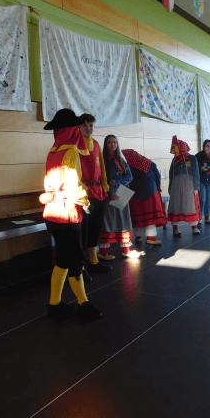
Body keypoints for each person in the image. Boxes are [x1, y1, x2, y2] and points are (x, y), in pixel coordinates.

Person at [40, 108, 102, 322]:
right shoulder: (71, 152)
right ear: (72, 130)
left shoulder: (53, 152)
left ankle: (54, 304)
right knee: (76, 261)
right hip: (67, 214)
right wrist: (85, 201)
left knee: (63, 259)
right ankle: (83, 304)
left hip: (52, 213)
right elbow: (73, 187)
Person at [78, 113, 112, 274]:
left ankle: (94, 260)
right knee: (83, 230)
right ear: (79, 127)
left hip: (99, 192)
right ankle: (80, 265)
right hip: (84, 194)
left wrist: (104, 185)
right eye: (85, 125)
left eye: (91, 125)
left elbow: (102, 167)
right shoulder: (75, 144)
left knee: (96, 227)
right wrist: (80, 186)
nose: (88, 128)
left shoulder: (97, 144)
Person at [98, 135, 139, 260]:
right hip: (108, 193)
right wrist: (109, 192)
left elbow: (129, 177)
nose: (113, 144)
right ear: (106, 144)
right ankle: (103, 252)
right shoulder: (102, 160)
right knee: (108, 221)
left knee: (124, 220)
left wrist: (118, 181)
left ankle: (126, 250)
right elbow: (99, 179)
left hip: (121, 191)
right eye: (110, 142)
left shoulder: (120, 160)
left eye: (115, 142)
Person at [122, 149, 168, 245]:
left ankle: (138, 236)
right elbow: (157, 176)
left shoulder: (128, 166)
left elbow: (126, 181)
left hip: (135, 195)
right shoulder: (149, 163)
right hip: (151, 193)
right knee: (150, 217)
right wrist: (158, 189)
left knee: (138, 216)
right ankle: (150, 238)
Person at [168, 135, 201, 236]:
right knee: (176, 205)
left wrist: (196, 187)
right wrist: (170, 187)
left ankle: (194, 227)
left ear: (181, 147)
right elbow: (171, 174)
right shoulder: (174, 160)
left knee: (189, 205)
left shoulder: (192, 158)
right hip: (176, 185)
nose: (173, 149)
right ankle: (175, 228)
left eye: (175, 147)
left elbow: (196, 173)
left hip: (188, 184)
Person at [195, 139, 210, 224]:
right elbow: (194, 168)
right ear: (204, 146)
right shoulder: (198, 156)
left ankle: (207, 217)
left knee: (209, 199)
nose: (209, 148)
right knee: (202, 199)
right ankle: (199, 217)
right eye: (207, 146)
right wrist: (201, 168)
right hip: (202, 180)